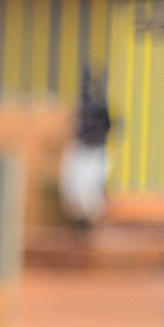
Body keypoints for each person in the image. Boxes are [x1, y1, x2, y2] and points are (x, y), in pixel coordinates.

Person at [60, 69, 112, 227]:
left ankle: (90, 79)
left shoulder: (78, 201)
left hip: (88, 150)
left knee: (82, 185)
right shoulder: (91, 204)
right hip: (90, 150)